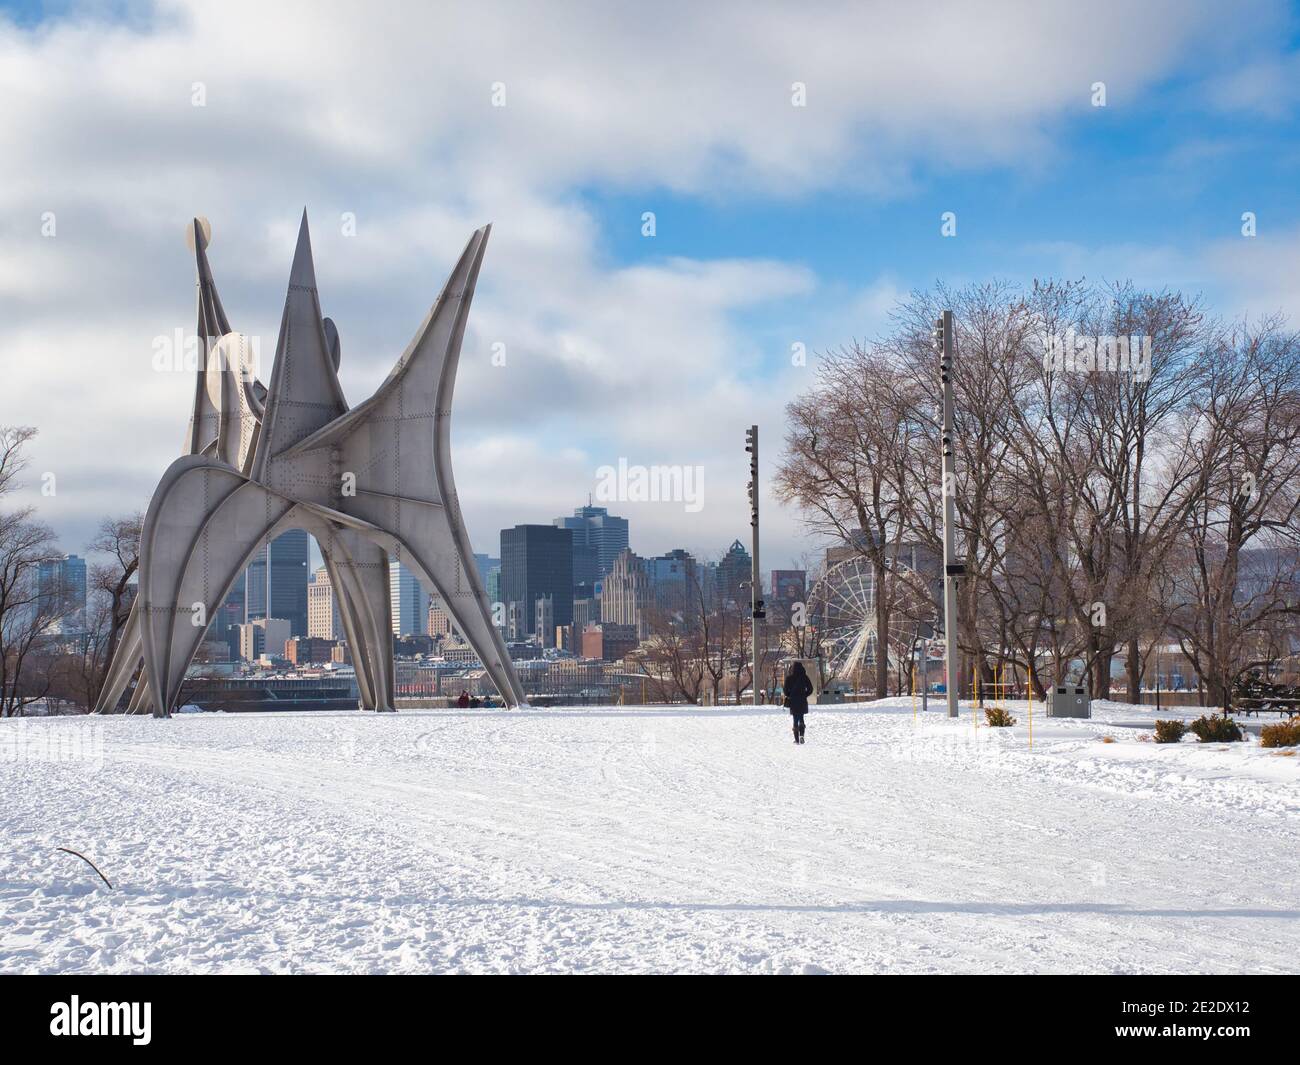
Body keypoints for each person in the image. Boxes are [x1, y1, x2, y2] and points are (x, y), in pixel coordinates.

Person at [783, 661, 813, 744]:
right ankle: (802, 736)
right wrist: (805, 695)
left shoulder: (789, 678)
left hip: (793, 701)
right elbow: (810, 689)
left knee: (795, 719)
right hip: (802, 700)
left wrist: (790, 695)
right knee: (801, 718)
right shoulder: (804, 677)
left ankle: (796, 740)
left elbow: (785, 691)